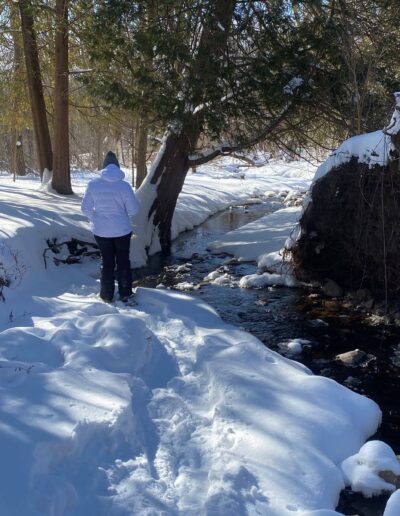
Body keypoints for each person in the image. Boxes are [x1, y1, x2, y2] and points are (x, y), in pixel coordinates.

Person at [81, 151, 139, 302]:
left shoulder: (93, 185)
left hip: (101, 232)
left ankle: (106, 295)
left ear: (103, 167)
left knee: (106, 262)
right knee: (123, 262)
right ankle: (125, 294)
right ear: (118, 167)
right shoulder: (124, 186)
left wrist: (96, 218)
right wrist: (122, 213)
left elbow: (85, 209)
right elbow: (133, 210)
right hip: (122, 231)